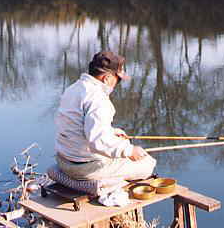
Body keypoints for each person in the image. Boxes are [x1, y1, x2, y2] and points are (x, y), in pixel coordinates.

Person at [54, 51, 156, 183]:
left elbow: (77, 126)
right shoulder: (99, 100)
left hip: (63, 160)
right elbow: (98, 140)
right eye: (117, 79)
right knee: (148, 163)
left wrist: (112, 132)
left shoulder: (73, 89)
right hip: (82, 168)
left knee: (120, 149)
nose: (117, 84)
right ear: (107, 78)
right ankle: (106, 186)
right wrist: (130, 150)